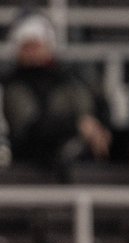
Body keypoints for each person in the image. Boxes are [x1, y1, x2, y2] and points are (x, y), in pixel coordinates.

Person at [1, 12, 112, 169]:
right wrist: (75, 125)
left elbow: (95, 106)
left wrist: (100, 129)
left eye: (36, 44)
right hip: (33, 165)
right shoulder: (14, 85)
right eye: (27, 46)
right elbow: (29, 129)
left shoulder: (68, 78)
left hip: (78, 160)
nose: (32, 52)